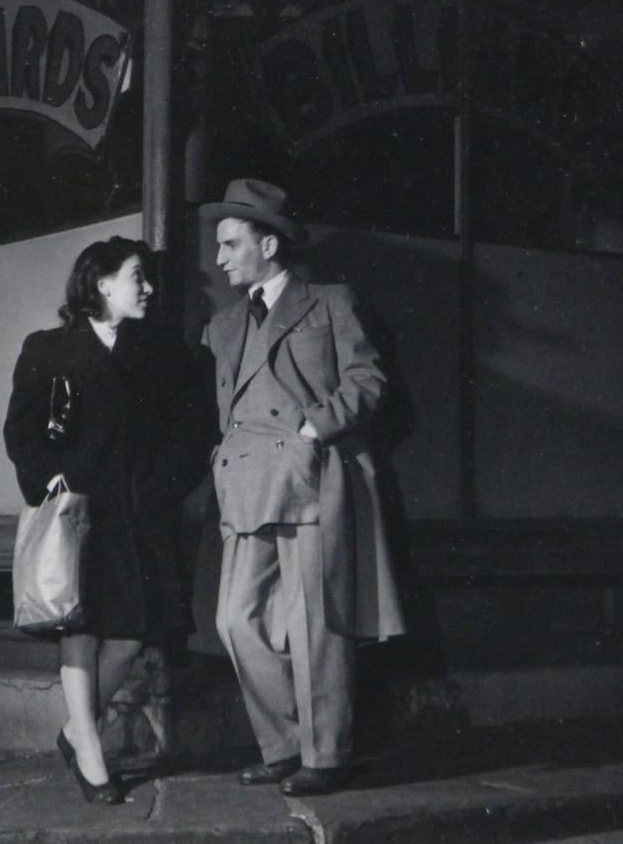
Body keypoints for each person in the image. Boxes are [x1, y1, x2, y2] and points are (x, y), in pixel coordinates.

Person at [199, 178, 407, 796]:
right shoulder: (223, 324)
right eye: (219, 246)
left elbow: (370, 380)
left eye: (231, 243)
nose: (220, 257)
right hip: (245, 485)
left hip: (312, 478)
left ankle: (326, 753)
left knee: (317, 621)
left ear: (268, 243)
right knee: (234, 619)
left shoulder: (330, 302)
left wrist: (316, 428)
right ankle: (284, 741)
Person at [3, 236, 206, 805]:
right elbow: (20, 431)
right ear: (101, 283)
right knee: (80, 627)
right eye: (137, 276)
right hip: (80, 510)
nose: (147, 288)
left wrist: (163, 486)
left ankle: (74, 730)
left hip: (140, 511)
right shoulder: (47, 348)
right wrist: (49, 481)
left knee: (130, 633)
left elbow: (193, 428)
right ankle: (92, 754)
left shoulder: (161, 351)